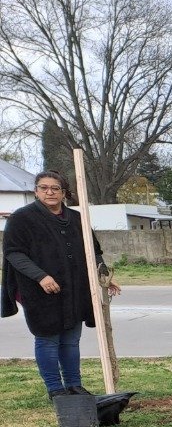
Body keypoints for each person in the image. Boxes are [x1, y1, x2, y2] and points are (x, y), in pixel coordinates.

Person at [1, 170, 121, 398]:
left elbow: (93, 251)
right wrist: (41, 276)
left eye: (55, 188)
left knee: (71, 340)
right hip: (40, 290)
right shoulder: (22, 218)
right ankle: (55, 389)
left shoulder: (77, 219)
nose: (50, 192)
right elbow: (14, 254)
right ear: (36, 191)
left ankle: (74, 385)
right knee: (48, 338)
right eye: (44, 187)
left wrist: (104, 275)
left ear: (63, 193)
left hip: (74, 288)